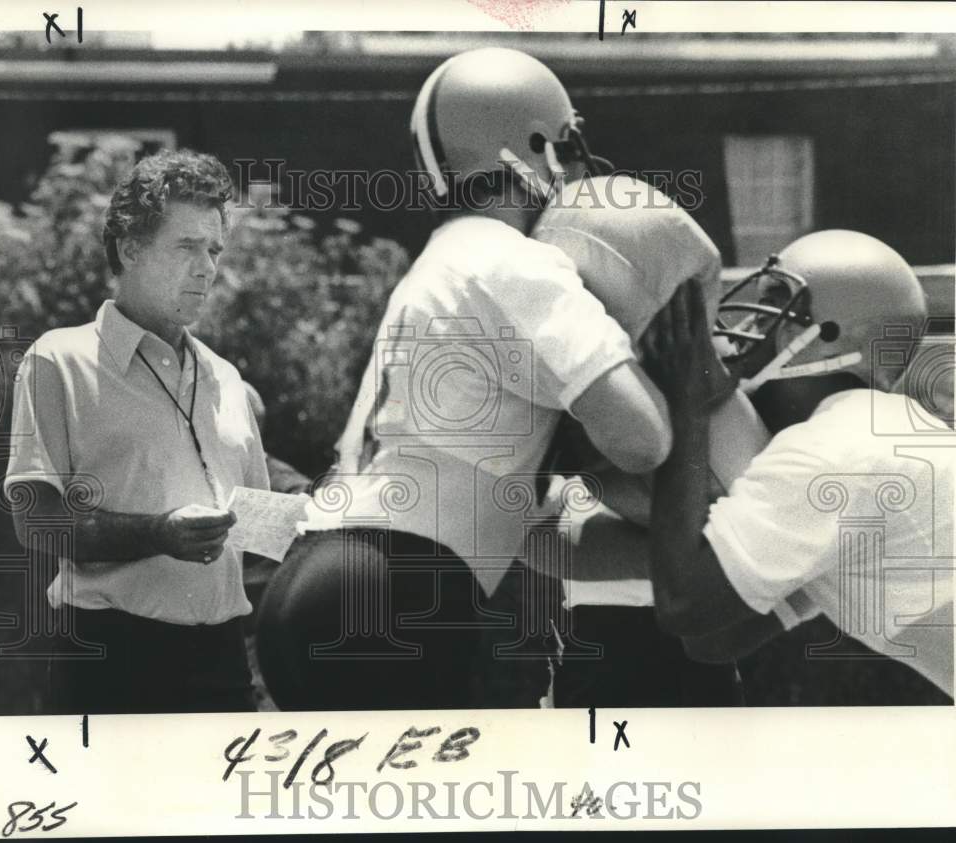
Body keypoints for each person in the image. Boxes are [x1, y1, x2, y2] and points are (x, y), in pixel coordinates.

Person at [256, 48, 673, 710]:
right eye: (564, 146)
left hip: (319, 578)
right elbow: (643, 439)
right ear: (530, 147)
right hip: (399, 589)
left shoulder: (446, 258)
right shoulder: (516, 261)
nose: (572, 168)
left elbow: (535, 529)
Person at [4, 149, 270, 714]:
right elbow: (36, 524)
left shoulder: (226, 376)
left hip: (223, 664)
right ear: (130, 248)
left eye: (213, 249)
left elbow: (256, 535)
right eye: (186, 247)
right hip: (111, 660)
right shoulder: (59, 360)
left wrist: (326, 523)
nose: (207, 267)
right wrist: (159, 533)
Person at [641, 230, 953, 699]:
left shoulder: (834, 448)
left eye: (777, 304)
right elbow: (716, 640)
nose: (748, 325)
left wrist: (688, 411)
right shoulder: (879, 430)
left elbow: (685, 605)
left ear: (827, 335)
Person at [529, 173, 762, 706]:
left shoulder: (717, 411)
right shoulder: (587, 404)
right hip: (611, 647)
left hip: (662, 651)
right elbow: (533, 538)